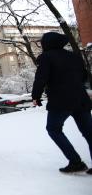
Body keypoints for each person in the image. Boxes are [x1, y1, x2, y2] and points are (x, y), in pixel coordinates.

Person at [32, 32, 92, 174]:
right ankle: (76, 162)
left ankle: (76, 162)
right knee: (89, 133)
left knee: (53, 129)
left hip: (61, 101)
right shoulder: (74, 56)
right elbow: (84, 76)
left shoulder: (47, 57)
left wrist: (36, 96)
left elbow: (41, 78)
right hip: (81, 99)